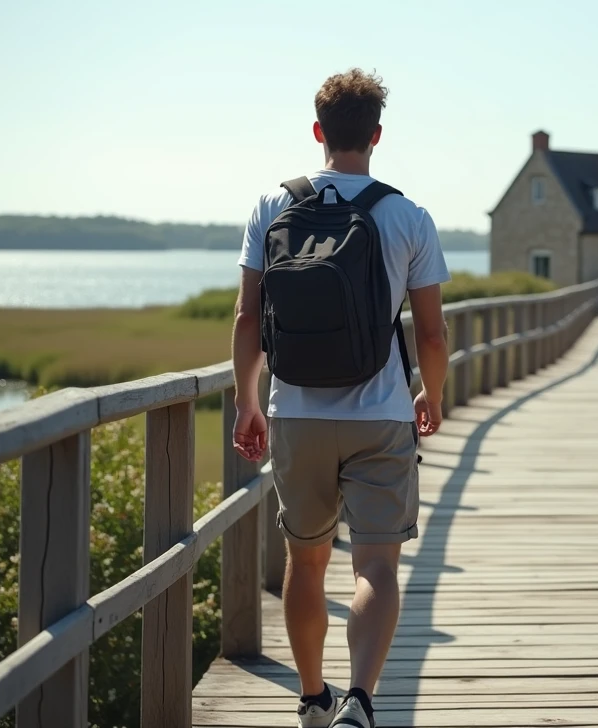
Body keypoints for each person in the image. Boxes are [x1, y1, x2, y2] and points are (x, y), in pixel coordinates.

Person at [231, 68, 451, 728]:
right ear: (376, 135)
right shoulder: (407, 215)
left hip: (295, 413)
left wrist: (248, 401)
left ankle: (311, 698)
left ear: (319, 131)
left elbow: (248, 317)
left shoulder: (273, 207)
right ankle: (360, 697)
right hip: (381, 415)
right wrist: (430, 396)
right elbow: (433, 332)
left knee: (306, 560)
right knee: (377, 565)